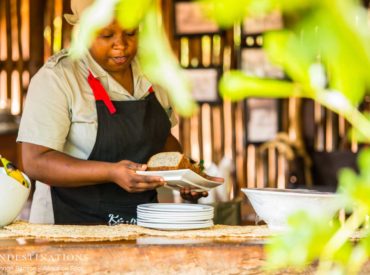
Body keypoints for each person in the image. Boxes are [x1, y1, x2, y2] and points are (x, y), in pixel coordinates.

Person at [17, 0, 223, 225]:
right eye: (106, 35)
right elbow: (36, 161)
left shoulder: (151, 72)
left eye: (130, 32)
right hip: (68, 221)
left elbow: (162, 139)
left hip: (141, 221)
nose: (121, 45)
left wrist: (187, 176)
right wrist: (111, 172)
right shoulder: (58, 78)